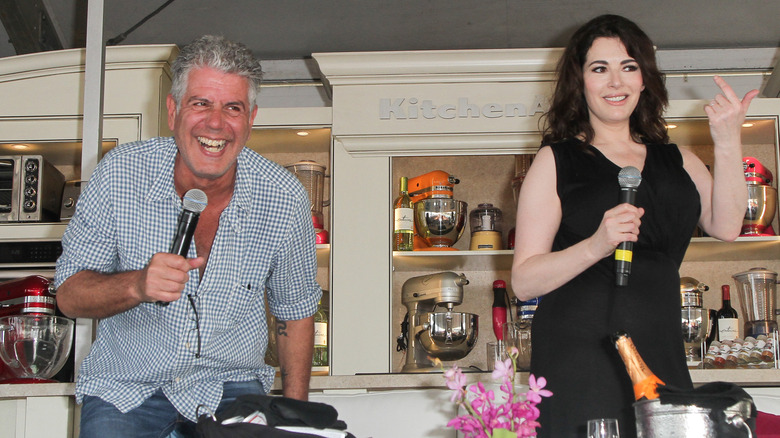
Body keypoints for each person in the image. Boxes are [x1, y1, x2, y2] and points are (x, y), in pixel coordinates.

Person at [55, 35, 322, 437]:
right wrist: (137, 285)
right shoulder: (120, 173)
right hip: (126, 388)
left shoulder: (283, 197)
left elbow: (295, 311)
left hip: (232, 387)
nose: (216, 123)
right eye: (201, 104)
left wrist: (295, 417)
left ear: (250, 118)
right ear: (173, 110)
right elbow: (69, 295)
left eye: (232, 107)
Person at [510, 14, 758, 438]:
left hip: (659, 341)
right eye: (599, 68)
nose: (615, 82)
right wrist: (597, 244)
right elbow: (523, 281)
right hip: (580, 348)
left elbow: (728, 225)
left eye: (628, 66)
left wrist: (728, 138)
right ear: (579, 81)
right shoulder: (556, 161)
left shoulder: (679, 161)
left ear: (644, 80)